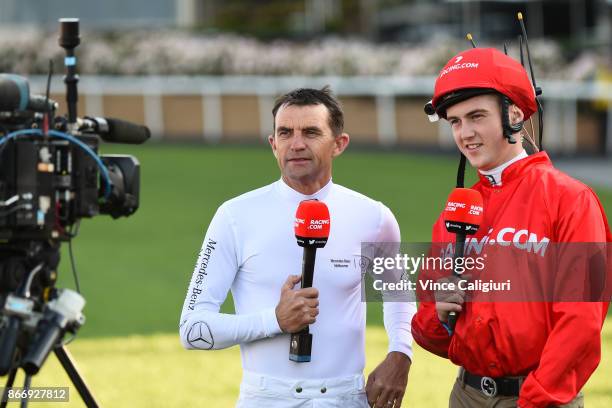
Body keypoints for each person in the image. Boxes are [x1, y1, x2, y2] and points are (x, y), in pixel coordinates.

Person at [179, 87, 415, 408]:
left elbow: (397, 296)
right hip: (265, 397)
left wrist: (401, 354)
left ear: (339, 144)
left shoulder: (374, 217)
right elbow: (192, 329)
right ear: (273, 144)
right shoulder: (234, 216)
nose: (297, 143)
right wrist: (274, 320)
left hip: (346, 396)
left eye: (311, 132)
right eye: (285, 133)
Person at [412, 47, 611, 408]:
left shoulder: (571, 200)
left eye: (476, 116)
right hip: (466, 395)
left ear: (514, 114)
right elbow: (427, 324)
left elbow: (581, 322)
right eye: (455, 121)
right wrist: (439, 317)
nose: (465, 133)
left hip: (542, 399)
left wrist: (535, 400)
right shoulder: (455, 211)